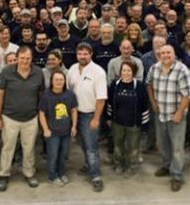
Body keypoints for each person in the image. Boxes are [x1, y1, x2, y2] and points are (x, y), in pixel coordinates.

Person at [0, 46, 45, 192]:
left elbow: (41, 96)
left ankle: (29, 173)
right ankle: (3, 174)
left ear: (31, 58)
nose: (25, 61)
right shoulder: (7, 71)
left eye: (28, 58)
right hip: (10, 117)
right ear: (17, 58)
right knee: (8, 147)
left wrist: (41, 118)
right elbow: (0, 95)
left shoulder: (38, 73)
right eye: (22, 58)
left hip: (31, 117)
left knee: (29, 148)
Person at [147, 44, 190, 192]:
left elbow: (187, 94)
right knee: (162, 144)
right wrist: (153, 102)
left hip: (176, 115)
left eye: (168, 52)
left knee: (177, 148)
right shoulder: (154, 68)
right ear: (159, 55)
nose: (165, 55)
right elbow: (149, 84)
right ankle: (167, 166)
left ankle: (177, 175)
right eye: (163, 53)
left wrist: (179, 112)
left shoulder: (182, 70)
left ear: (174, 54)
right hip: (161, 114)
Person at [67, 42, 108, 192]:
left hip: (90, 114)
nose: (82, 56)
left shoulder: (98, 72)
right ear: (76, 55)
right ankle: (89, 164)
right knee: (82, 143)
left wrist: (96, 118)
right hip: (75, 114)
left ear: (91, 54)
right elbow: (68, 91)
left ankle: (96, 176)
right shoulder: (72, 69)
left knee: (91, 147)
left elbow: (101, 98)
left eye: (85, 53)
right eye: (80, 54)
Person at [107, 61, 149, 178]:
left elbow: (144, 105)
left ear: (133, 72)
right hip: (117, 123)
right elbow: (110, 103)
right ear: (120, 72)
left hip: (134, 124)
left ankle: (132, 166)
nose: (126, 73)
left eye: (129, 71)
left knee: (133, 147)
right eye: (124, 70)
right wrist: (109, 118)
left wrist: (144, 124)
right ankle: (118, 164)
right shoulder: (114, 85)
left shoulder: (139, 86)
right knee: (117, 145)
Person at [38, 70, 78, 186]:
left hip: (66, 132)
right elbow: (41, 113)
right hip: (52, 133)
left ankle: (61, 173)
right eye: (56, 80)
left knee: (63, 154)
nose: (59, 82)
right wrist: (45, 129)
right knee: (53, 155)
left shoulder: (70, 94)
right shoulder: (46, 95)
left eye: (61, 80)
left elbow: (74, 111)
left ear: (65, 81)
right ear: (51, 81)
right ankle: (52, 176)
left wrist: (74, 126)